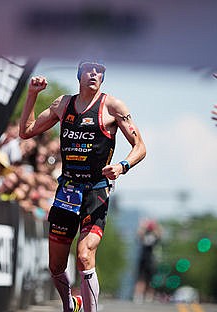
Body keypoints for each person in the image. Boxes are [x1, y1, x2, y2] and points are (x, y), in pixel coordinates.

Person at [19, 60, 146, 312]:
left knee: (85, 254)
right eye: (90, 68)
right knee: (55, 265)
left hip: (96, 190)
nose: (95, 74)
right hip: (67, 190)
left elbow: (140, 147)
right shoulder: (63, 104)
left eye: (100, 70)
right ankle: (70, 304)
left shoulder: (113, 107)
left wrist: (121, 166)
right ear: (79, 74)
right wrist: (32, 95)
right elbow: (26, 131)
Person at [133, 219, 161, 304]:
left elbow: (159, 234)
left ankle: (149, 296)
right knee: (140, 278)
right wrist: (143, 226)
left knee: (151, 280)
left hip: (152, 260)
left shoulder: (155, 236)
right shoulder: (144, 234)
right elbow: (139, 234)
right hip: (143, 259)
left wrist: (155, 226)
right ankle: (138, 295)